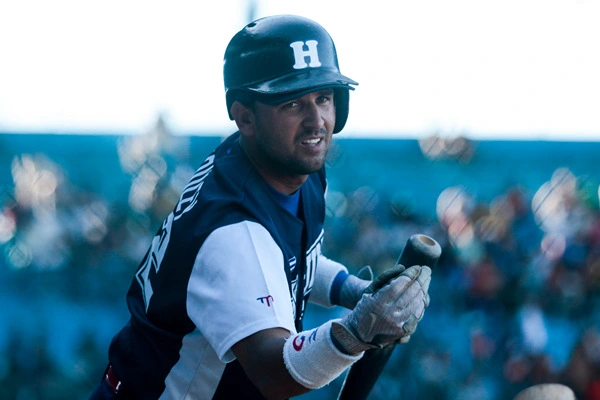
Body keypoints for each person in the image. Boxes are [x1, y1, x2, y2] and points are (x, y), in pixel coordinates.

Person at [89, 14, 432, 400]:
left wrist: (354, 291)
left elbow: (289, 264)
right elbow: (276, 373)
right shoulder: (232, 232)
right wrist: (357, 331)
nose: (316, 121)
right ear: (245, 116)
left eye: (323, 98)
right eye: (292, 104)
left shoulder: (284, 168)